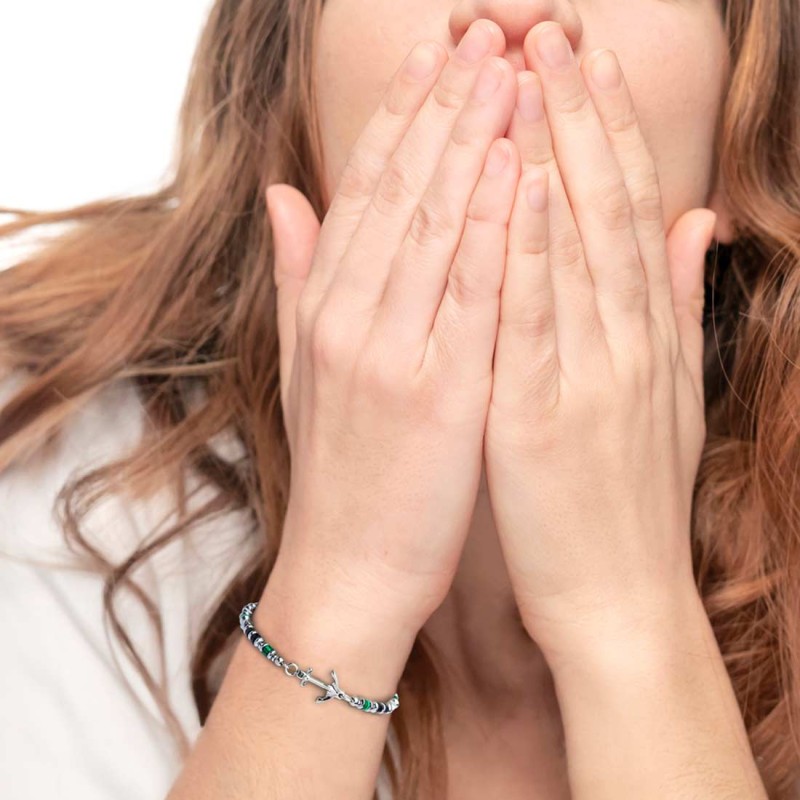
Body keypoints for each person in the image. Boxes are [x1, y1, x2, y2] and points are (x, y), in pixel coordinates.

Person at [1, 0, 798, 797]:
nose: (519, 14)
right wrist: (342, 589)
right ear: (295, 90)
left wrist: (630, 617)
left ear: (743, 120)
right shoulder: (43, 484)